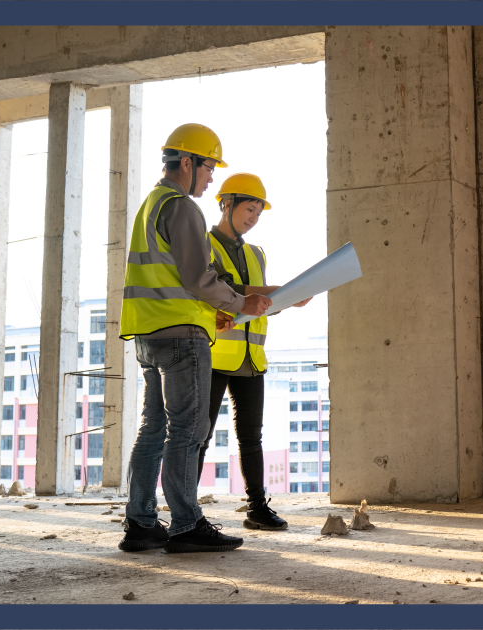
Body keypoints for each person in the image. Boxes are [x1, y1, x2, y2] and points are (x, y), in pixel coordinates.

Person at [118, 123, 272, 553]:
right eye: (208, 168)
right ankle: (186, 524)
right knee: (188, 429)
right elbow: (196, 278)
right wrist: (239, 303)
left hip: (148, 333)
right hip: (182, 335)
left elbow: (169, 274)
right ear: (187, 163)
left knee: (153, 430)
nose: (210, 178)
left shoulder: (151, 203)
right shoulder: (183, 207)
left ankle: (141, 522)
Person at [196, 172, 310, 530]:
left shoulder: (256, 252)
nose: (253, 218)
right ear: (226, 204)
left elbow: (256, 304)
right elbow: (224, 289)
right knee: (200, 436)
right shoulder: (204, 244)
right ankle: (187, 512)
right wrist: (279, 289)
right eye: (249, 209)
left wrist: (285, 300)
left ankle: (257, 508)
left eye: (259, 213)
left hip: (250, 357)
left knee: (251, 436)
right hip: (214, 355)